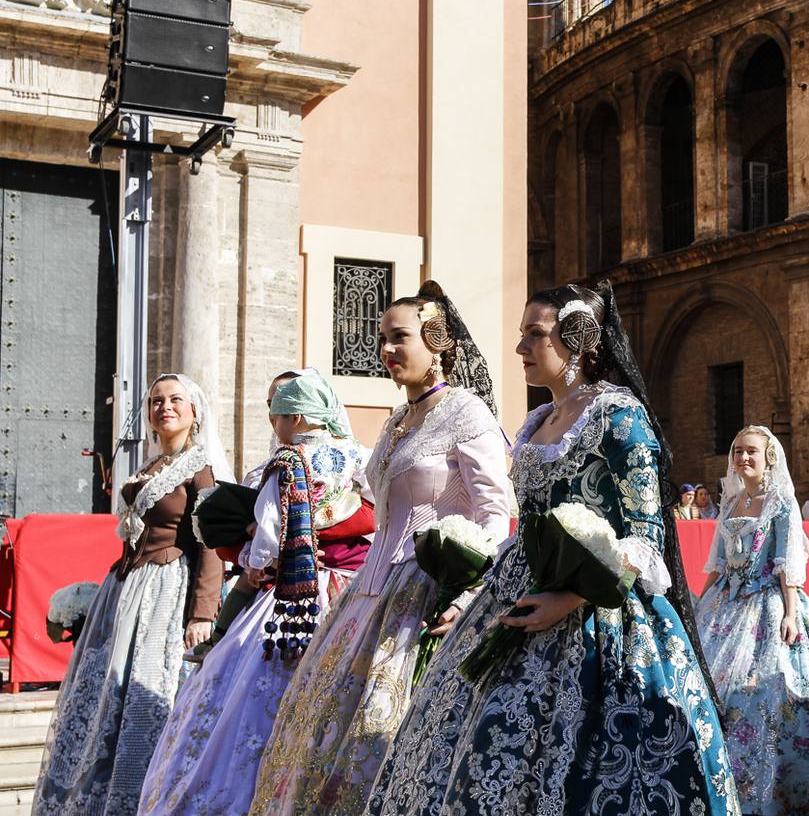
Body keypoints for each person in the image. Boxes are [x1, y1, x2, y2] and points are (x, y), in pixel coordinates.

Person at [365, 281, 735, 815]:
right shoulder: (536, 423)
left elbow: (646, 539)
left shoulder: (620, 420)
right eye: (522, 335)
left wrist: (570, 599)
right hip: (515, 595)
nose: (520, 349)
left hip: (599, 618)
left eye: (534, 335)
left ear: (579, 340)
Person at [249, 281, 514, 815]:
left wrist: (469, 596)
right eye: (382, 339)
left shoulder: (467, 414)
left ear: (437, 342)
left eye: (400, 338)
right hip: (369, 595)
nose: (387, 351)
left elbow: (495, 513)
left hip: (427, 598)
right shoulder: (396, 421)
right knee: (322, 732)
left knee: (391, 736)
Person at [139, 372, 370, 814]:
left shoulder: (287, 462)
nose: (272, 422)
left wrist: (247, 547)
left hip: (289, 596)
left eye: (277, 413)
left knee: (241, 695)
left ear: (297, 416)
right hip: (347, 591)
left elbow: (264, 546)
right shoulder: (357, 456)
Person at [34, 373, 233, 816]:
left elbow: (212, 545)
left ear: (194, 411)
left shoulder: (201, 468)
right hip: (125, 591)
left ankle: (140, 797)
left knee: (145, 692)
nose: (165, 407)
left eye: (176, 400)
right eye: (156, 401)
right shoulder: (149, 468)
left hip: (165, 589)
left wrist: (202, 613)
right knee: (106, 695)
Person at [697, 425, 809, 815]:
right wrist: (700, 603)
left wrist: (791, 614)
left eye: (751, 452)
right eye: (738, 450)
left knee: (762, 691)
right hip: (725, 605)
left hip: (768, 603)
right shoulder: (730, 502)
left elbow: (787, 563)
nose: (743, 458)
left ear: (768, 458)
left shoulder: (781, 503)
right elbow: (718, 562)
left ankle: (768, 787)